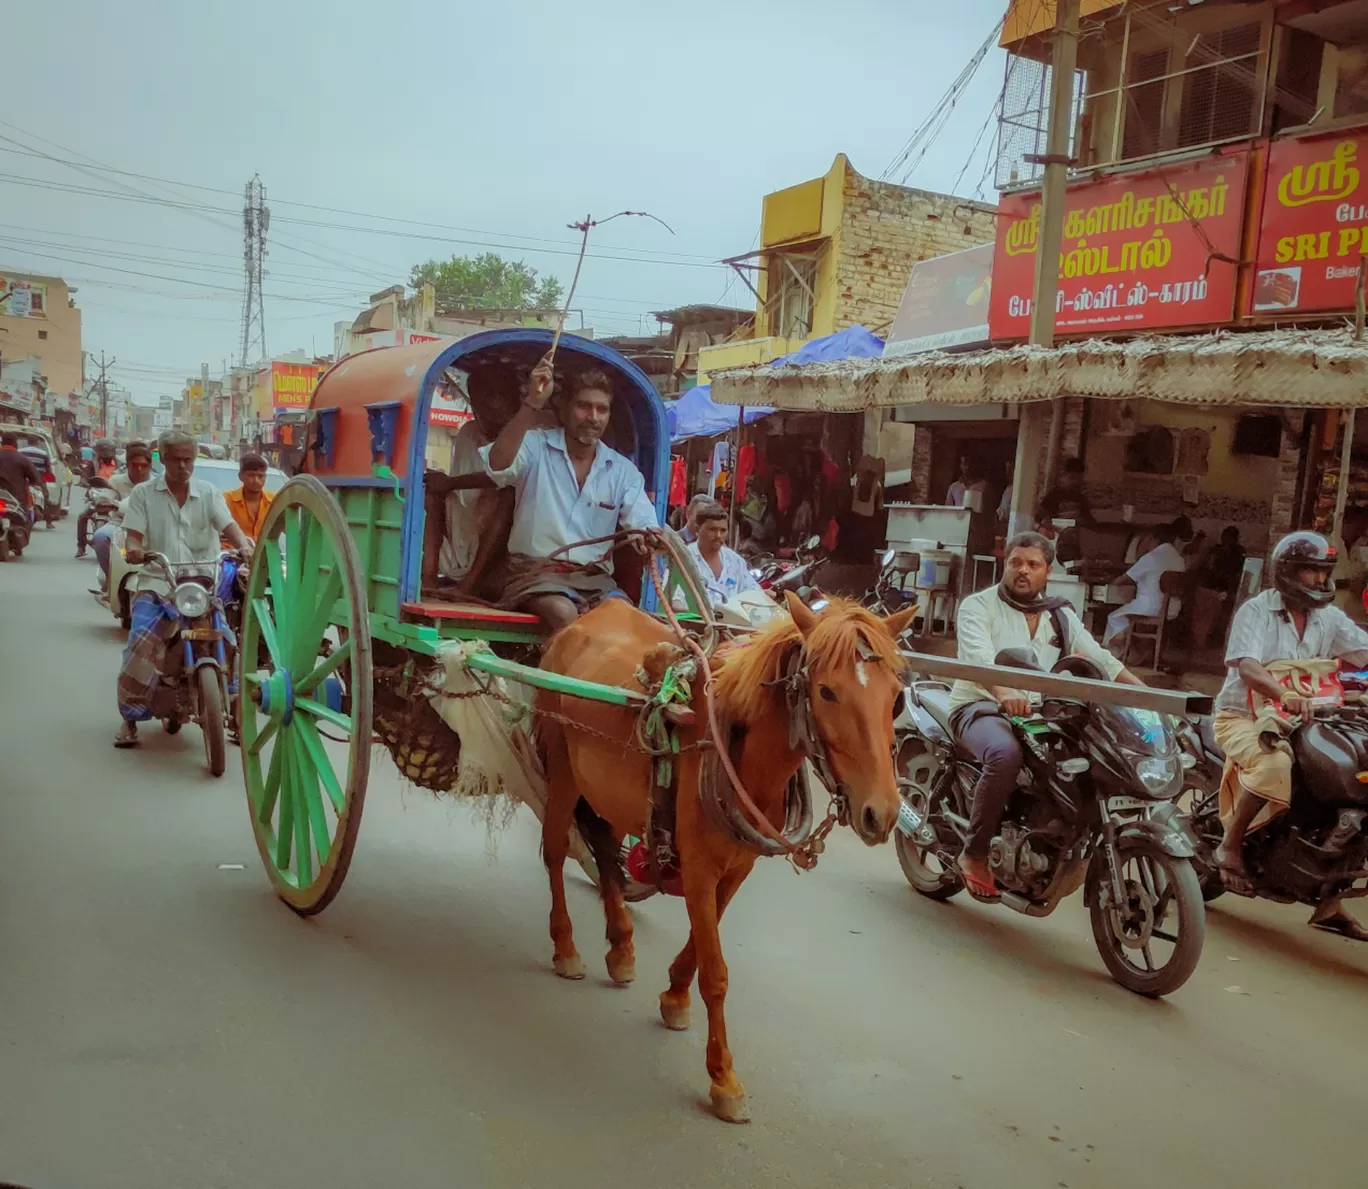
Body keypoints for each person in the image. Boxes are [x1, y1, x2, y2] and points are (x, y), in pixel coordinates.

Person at [949, 532, 1147, 900]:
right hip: (980, 705)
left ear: (1047, 571)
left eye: (1032, 564)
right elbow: (979, 659)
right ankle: (974, 853)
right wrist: (1004, 692)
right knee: (1004, 755)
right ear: (1005, 564)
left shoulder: (1059, 613)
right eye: (1016, 563)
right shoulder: (978, 606)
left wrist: (1148, 697)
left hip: (1039, 713)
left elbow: (1098, 660)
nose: (1022, 571)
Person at [1212, 531, 1368, 939]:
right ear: (1286, 572)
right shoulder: (1257, 611)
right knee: (1276, 764)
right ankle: (1229, 845)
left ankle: (1329, 901)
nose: (1320, 579)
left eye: (1324, 571)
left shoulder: (1328, 617)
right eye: (1311, 570)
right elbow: (1247, 667)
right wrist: (1284, 694)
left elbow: (1364, 652)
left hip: (1311, 720)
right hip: (1243, 715)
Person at [480, 354, 660, 632]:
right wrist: (532, 403)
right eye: (583, 407)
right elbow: (497, 465)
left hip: (595, 581)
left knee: (624, 622)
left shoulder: (623, 471)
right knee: (564, 614)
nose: (593, 418)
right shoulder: (536, 446)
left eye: (602, 409)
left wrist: (645, 535)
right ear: (563, 409)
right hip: (534, 574)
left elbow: (643, 521)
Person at [114, 431, 252, 748]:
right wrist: (134, 548)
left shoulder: (208, 493)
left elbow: (228, 525)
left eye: (188, 459)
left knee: (229, 643)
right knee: (140, 644)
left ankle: (234, 713)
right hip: (158, 582)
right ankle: (130, 719)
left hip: (202, 583)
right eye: (175, 459)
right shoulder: (143, 495)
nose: (182, 465)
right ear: (162, 459)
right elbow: (133, 534)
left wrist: (243, 544)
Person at [1104, 517, 1192, 650]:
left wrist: (1110, 580)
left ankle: (1114, 653)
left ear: (1154, 539)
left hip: (1151, 607)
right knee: (1126, 614)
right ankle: (1133, 651)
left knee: (1114, 617)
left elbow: (1123, 580)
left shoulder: (1151, 557)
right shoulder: (1179, 559)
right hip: (1173, 609)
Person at [89, 441, 154, 589]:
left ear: (150, 466)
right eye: (134, 465)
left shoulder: (157, 483)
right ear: (128, 464)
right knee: (100, 537)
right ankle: (112, 582)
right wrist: (103, 502)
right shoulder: (116, 481)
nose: (139, 469)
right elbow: (106, 495)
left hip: (150, 526)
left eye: (143, 466)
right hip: (120, 524)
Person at [682, 501, 760, 607]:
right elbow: (675, 601)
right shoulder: (684, 558)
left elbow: (752, 593)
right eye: (712, 530)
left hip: (732, 622)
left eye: (723, 530)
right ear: (697, 529)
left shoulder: (735, 562)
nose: (718, 535)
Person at [1192, 526, 1245, 648]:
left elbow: (1237, 576)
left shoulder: (1238, 553)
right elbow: (1205, 571)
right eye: (1225, 537)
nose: (1226, 541)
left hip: (1227, 590)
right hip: (1213, 589)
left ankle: (1209, 639)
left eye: (1230, 538)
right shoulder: (1215, 551)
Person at [223, 453, 275, 544]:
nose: (256, 480)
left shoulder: (275, 501)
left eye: (260, 476)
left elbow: (289, 528)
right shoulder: (226, 499)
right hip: (232, 554)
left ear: (265, 477)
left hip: (266, 555)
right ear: (240, 477)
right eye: (251, 475)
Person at [0, 431, 41, 512]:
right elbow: (35, 479)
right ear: (15, 443)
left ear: (1, 443)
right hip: (17, 499)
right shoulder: (23, 459)